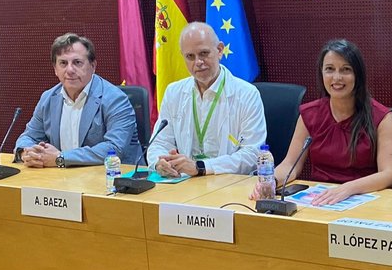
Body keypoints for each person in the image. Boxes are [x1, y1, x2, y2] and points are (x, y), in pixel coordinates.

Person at [250, 39, 392, 205]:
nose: (336, 77)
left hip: (368, 198)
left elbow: (389, 174)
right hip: (321, 200)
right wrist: (270, 181)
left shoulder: (382, 117)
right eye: (329, 69)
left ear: (358, 75)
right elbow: (290, 165)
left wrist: (347, 189)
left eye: (345, 70)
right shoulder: (309, 114)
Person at [148, 22, 266, 176]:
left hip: (230, 185)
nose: (198, 62)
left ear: (219, 50)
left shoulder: (247, 94)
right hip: (185, 185)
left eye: (203, 53)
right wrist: (159, 163)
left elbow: (252, 154)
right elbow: (159, 143)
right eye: (190, 56)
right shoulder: (173, 92)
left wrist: (202, 167)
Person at [15, 33, 140, 167]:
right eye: (63, 63)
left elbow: (114, 148)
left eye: (77, 62)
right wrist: (26, 153)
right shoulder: (48, 98)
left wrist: (60, 158)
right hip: (62, 179)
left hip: (112, 179)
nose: (70, 70)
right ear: (55, 69)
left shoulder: (115, 99)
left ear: (93, 66)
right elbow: (29, 137)